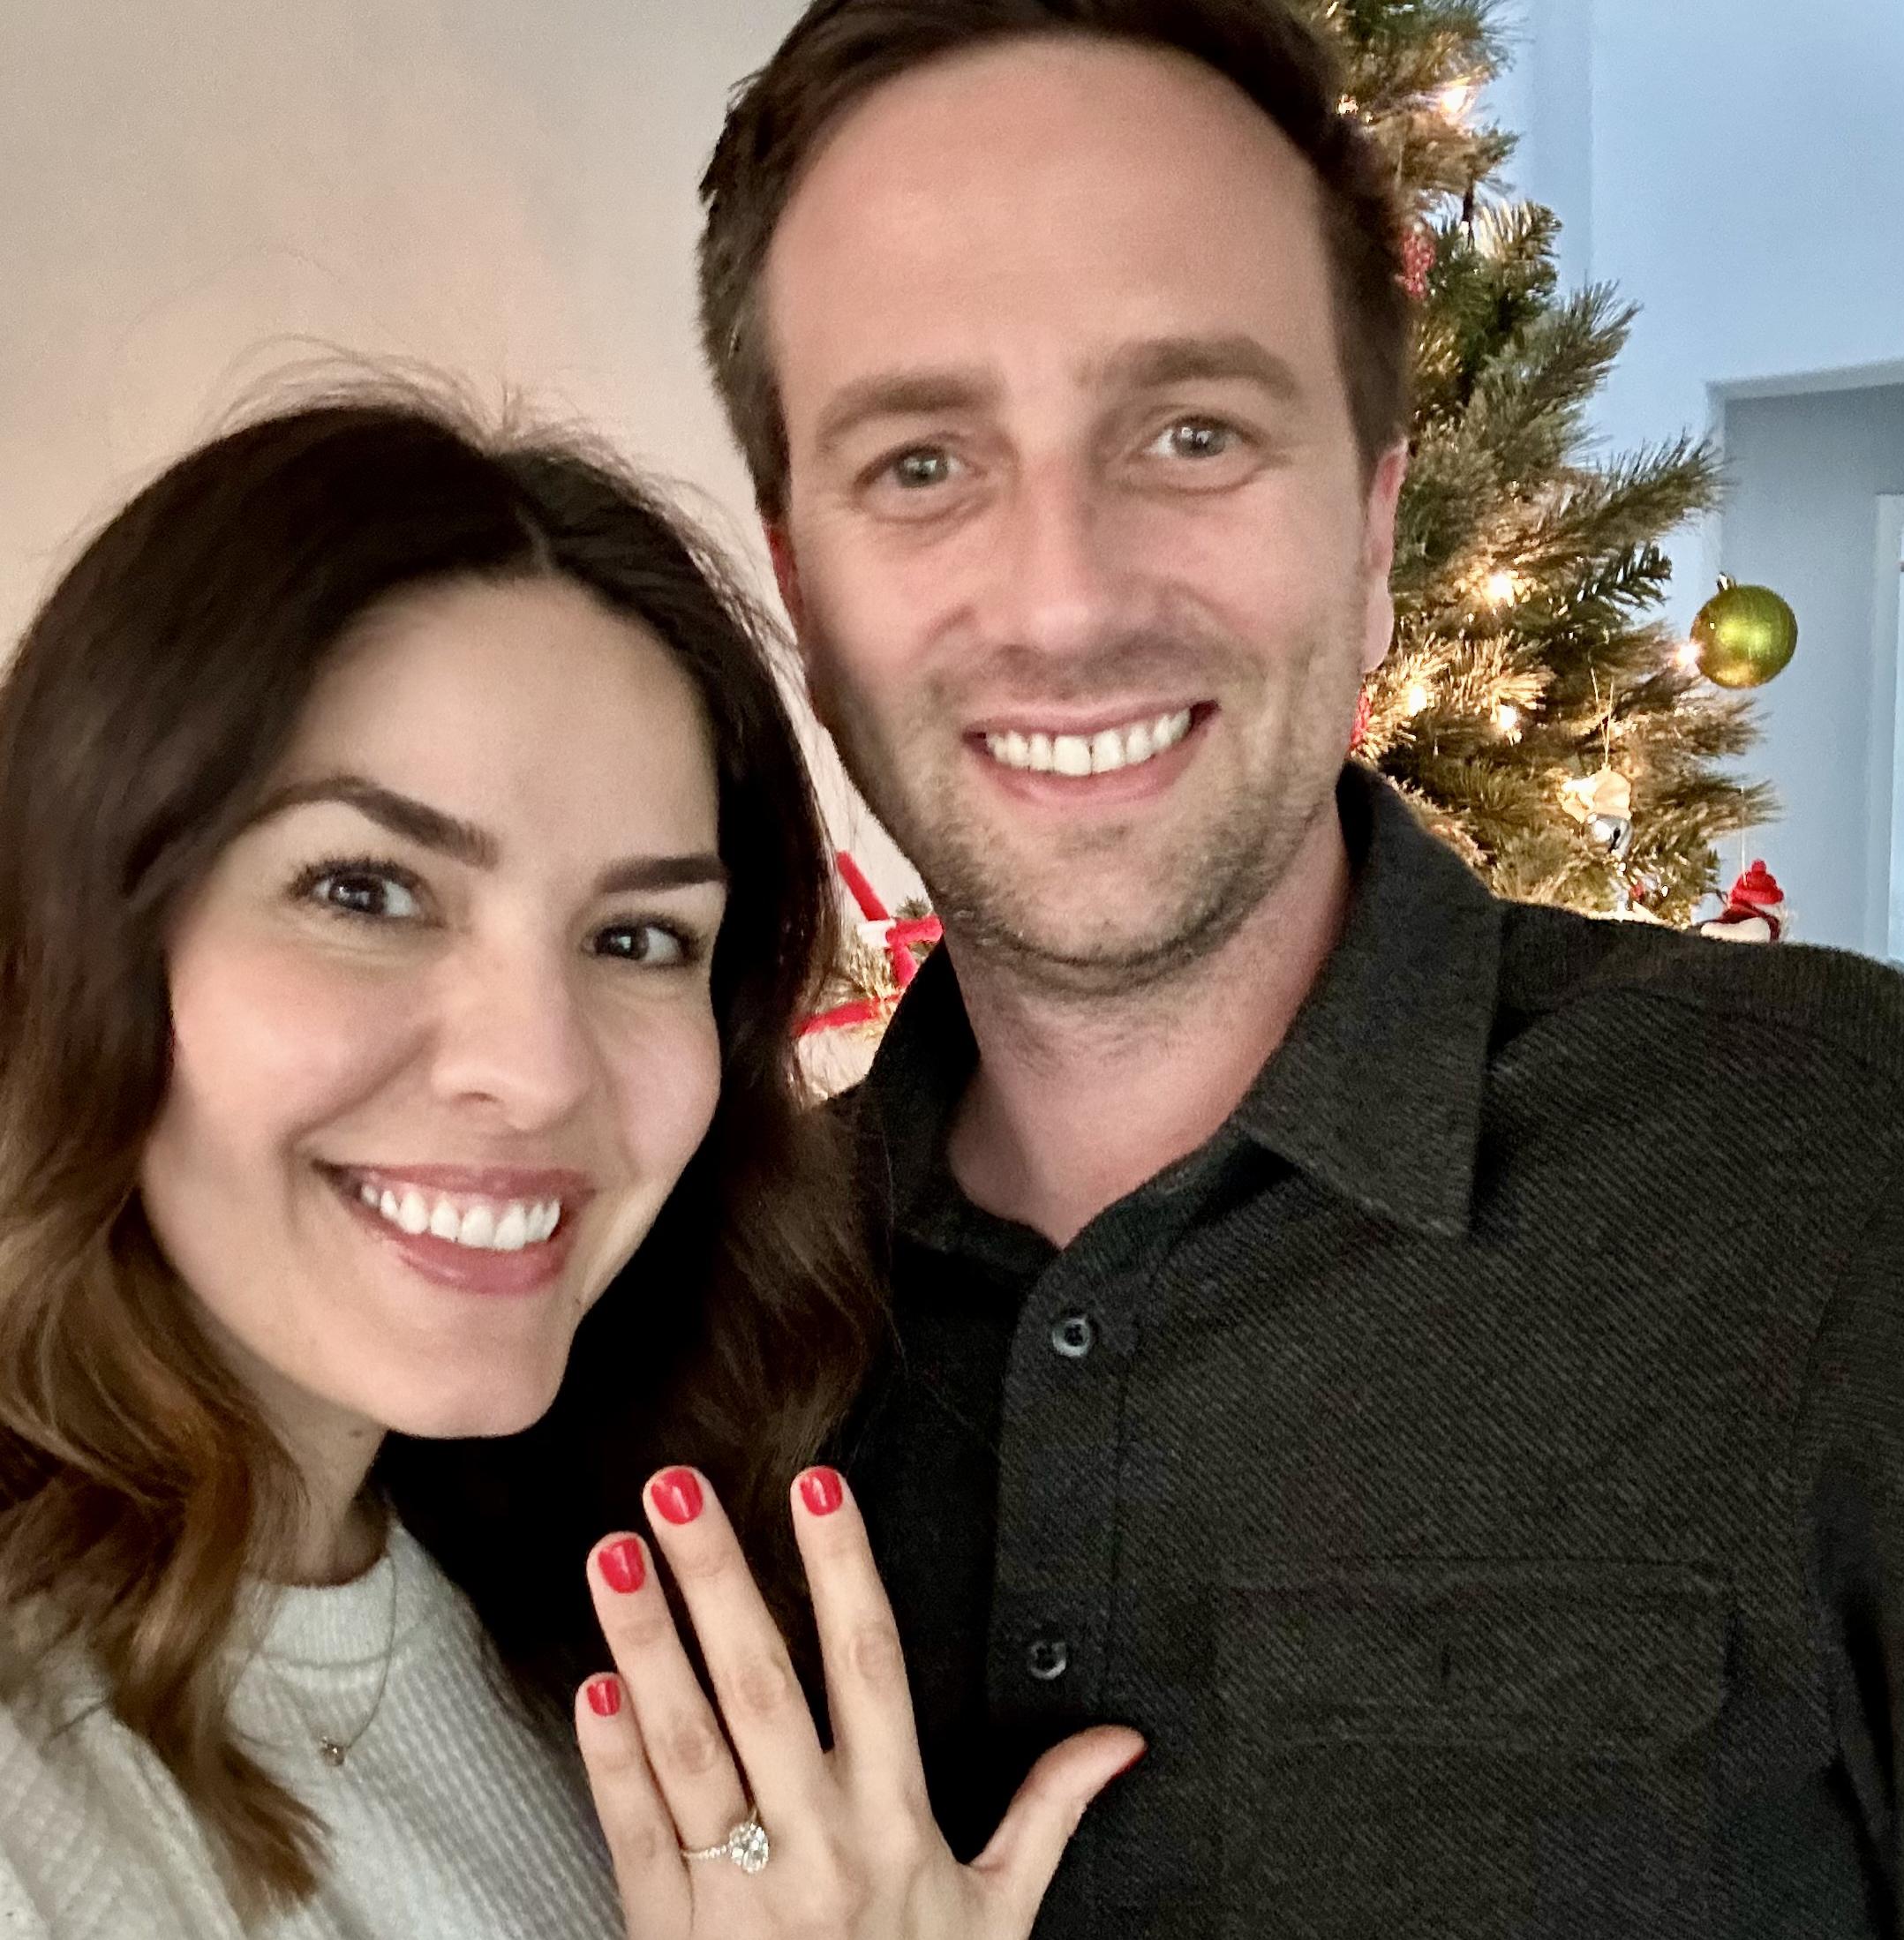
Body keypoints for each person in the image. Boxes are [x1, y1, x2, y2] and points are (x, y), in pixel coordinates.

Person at [664, 2, 1904, 1934]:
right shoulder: (694, 1311)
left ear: (1368, 528)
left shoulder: (1850, 1172)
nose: (1065, 596)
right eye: (920, 462)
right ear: (802, 595)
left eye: (1192, 432)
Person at [0, 392, 1137, 1940]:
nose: (538, 1071)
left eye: (638, 936)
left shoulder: (570, 1580)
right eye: (366, 889)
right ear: (75, 933)